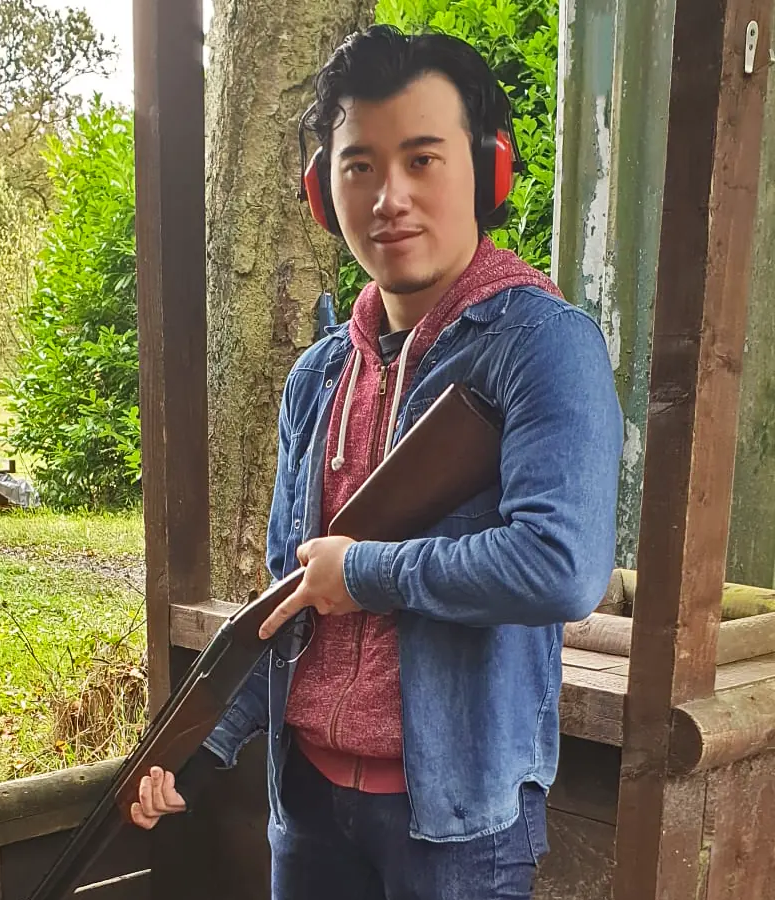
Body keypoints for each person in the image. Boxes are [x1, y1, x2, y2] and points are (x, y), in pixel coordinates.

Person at [130, 24, 623, 900]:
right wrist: (199, 744)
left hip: (454, 828)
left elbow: (561, 567)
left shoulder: (544, 346)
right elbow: (291, 599)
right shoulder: (318, 375)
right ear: (324, 191)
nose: (389, 195)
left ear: (489, 171)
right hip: (309, 807)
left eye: (423, 159)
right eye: (359, 166)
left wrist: (366, 572)